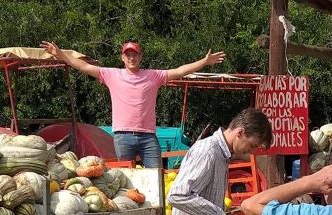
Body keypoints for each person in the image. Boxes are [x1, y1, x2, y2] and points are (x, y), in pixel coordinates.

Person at [41, 39, 226, 168]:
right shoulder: (111, 75)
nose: (131, 58)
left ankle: (157, 210)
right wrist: (60, 54)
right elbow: (84, 66)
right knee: (126, 176)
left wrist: (204, 62)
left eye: (134, 54)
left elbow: (179, 71)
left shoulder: (153, 76)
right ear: (122, 58)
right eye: (127, 55)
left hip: (148, 137)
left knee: (155, 176)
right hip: (123, 136)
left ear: (140, 57)